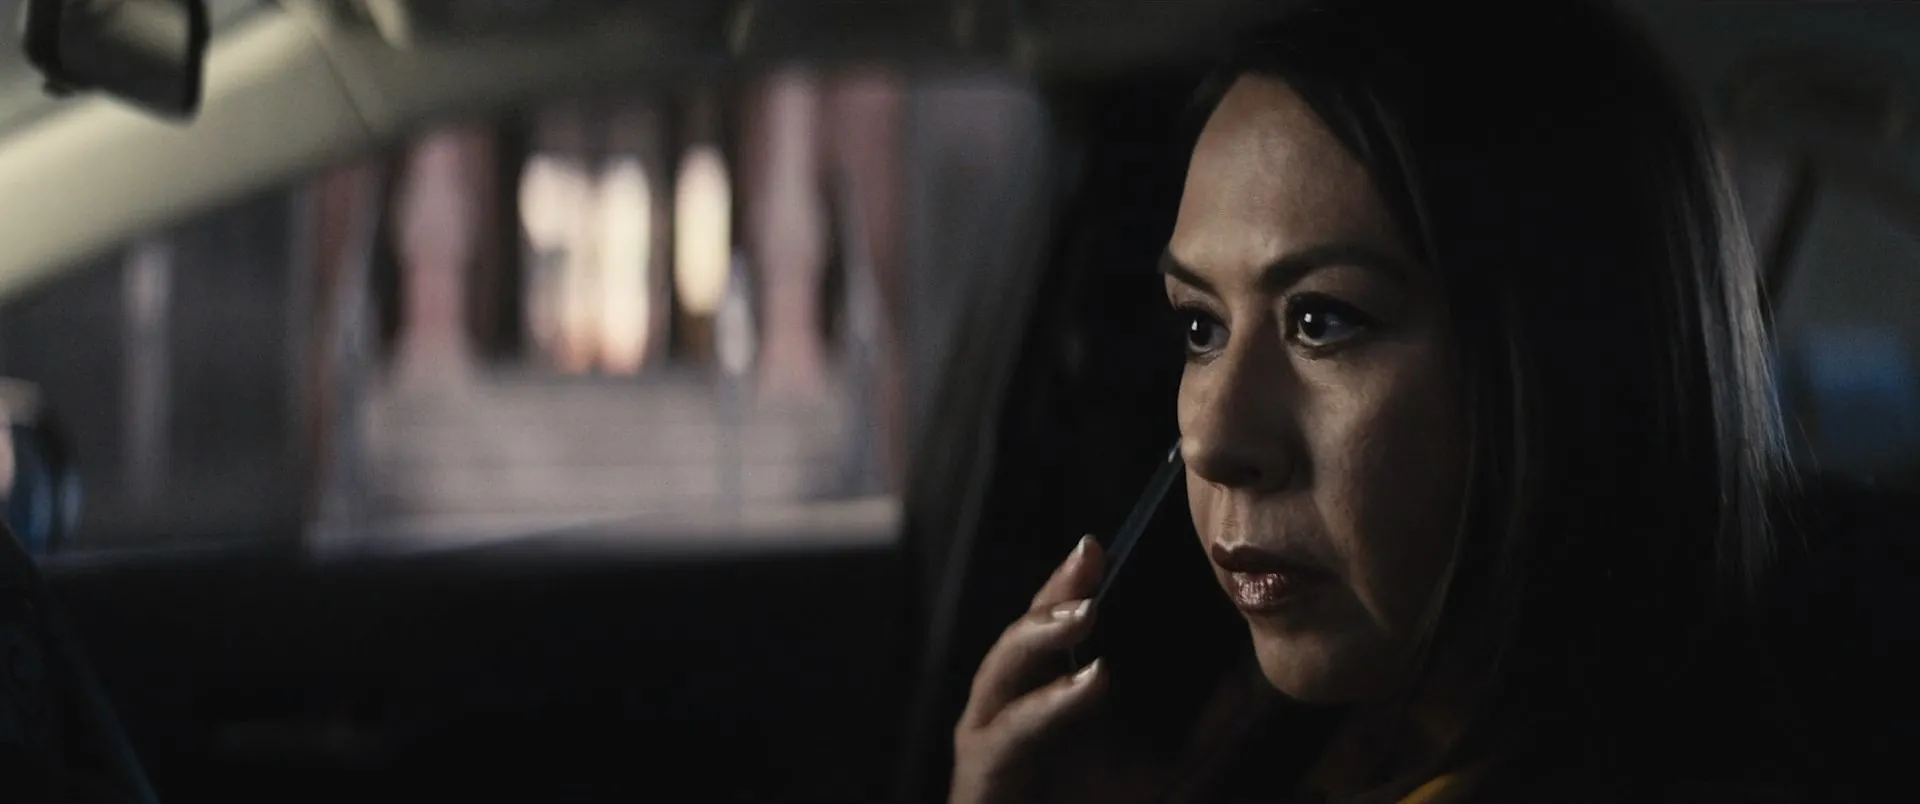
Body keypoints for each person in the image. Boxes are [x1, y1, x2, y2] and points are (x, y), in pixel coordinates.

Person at [950, 1, 1807, 802]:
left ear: (1569, 362)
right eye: (1202, 327)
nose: (1212, 440)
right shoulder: (1350, 729)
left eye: (1322, 321)